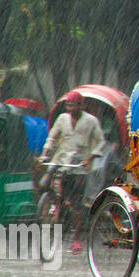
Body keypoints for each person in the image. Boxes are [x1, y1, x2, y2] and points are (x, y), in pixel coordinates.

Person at [41, 90, 106, 254]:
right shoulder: (62, 119)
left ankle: (77, 238)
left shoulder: (91, 121)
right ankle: (53, 206)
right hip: (61, 162)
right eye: (68, 105)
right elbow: (52, 137)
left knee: (77, 206)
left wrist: (91, 158)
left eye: (74, 105)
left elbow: (100, 142)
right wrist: (46, 152)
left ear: (81, 105)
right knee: (50, 186)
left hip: (79, 167)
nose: (71, 108)